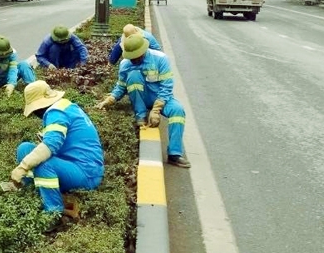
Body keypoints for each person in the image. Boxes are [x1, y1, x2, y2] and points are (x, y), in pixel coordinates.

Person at [10, 80, 105, 217]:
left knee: (44, 165)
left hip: (87, 174)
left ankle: (54, 212)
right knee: (24, 149)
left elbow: (50, 145)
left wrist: (23, 167)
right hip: (74, 165)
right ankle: (32, 190)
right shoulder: (64, 106)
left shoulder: (56, 113)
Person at [96, 34, 190, 168]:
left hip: (160, 97)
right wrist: (110, 99)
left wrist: (156, 110)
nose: (133, 59)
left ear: (143, 51)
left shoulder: (160, 59)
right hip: (141, 99)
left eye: (136, 56)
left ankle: (174, 154)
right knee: (133, 76)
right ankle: (141, 116)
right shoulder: (125, 64)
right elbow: (121, 86)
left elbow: (167, 86)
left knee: (178, 111)